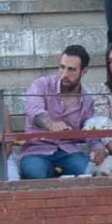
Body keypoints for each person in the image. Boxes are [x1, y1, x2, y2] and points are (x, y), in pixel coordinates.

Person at [19, 43, 94, 178]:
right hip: (36, 149)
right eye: (62, 67)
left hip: (68, 151)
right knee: (35, 171)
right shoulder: (41, 85)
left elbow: (90, 129)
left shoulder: (87, 100)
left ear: (83, 72)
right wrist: (51, 125)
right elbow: (34, 110)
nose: (64, 74)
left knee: (86, 170)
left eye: (71, 69)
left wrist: (98, 147)